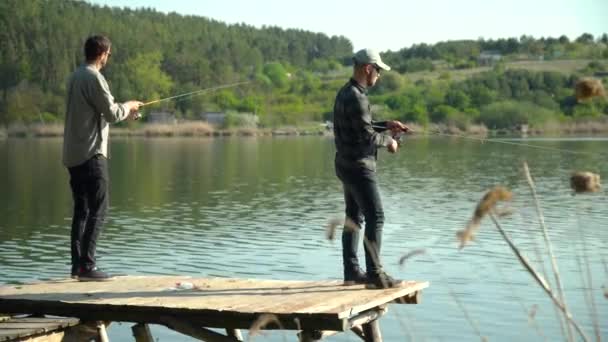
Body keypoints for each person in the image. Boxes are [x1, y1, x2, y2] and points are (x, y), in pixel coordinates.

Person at [63, 35, 142, 281]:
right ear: (103, 53)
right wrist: (128, 106)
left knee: (82, 211)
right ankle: (87, 266)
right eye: (108, 54)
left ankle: (78, 265)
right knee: (99, 208)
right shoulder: (95, 77)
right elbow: (111, 112)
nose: (108, 58)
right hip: (92, 154)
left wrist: (123, 110)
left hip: (74, 155)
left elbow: (101, 111)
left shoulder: (76, 76)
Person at [333, 48, 409, 289]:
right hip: (359, 168)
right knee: (376, 217)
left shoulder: (346, 93)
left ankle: (352, 271)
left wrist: (386, 125)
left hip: (345, 165)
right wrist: (390, 141)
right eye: (378, 70)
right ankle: (375, 275)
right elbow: (366, 137)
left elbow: (361, 127)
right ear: (368, 68)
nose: (379, 75)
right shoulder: (358, 97)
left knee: (353, 218)